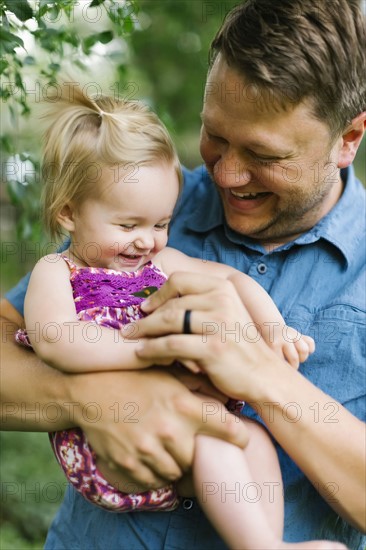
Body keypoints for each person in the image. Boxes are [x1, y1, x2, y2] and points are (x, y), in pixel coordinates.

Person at [1, 0, 365, 548]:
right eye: (214, 135)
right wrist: (97, 397)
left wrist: (264, 373)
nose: (226, 173)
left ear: (349, 139)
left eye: (263, 154)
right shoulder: (135, 211)